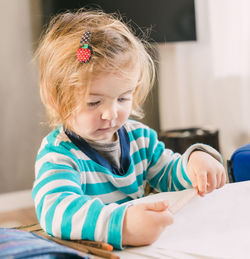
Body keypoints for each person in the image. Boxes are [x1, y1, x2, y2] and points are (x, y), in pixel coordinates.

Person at [32, 9, 226, 250]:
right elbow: (56, 211)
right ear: (57, 99)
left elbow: (168, 173)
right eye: (94, 102)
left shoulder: (139, 138)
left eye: (123, 98)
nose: (111, 113)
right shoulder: (60, 155)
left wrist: (195, 163)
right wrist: (122, 225)